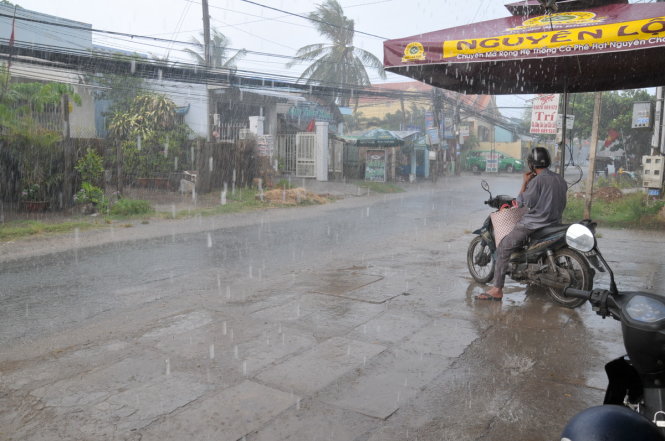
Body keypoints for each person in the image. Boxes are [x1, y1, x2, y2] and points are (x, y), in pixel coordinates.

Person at [476, 147, 567, 301]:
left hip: (534, 225)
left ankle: (497, 289)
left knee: (503, 248)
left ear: (531, 165)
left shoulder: (537, 181)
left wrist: (525, 183)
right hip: (554, 222)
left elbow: (521, 203)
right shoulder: (559, 179)